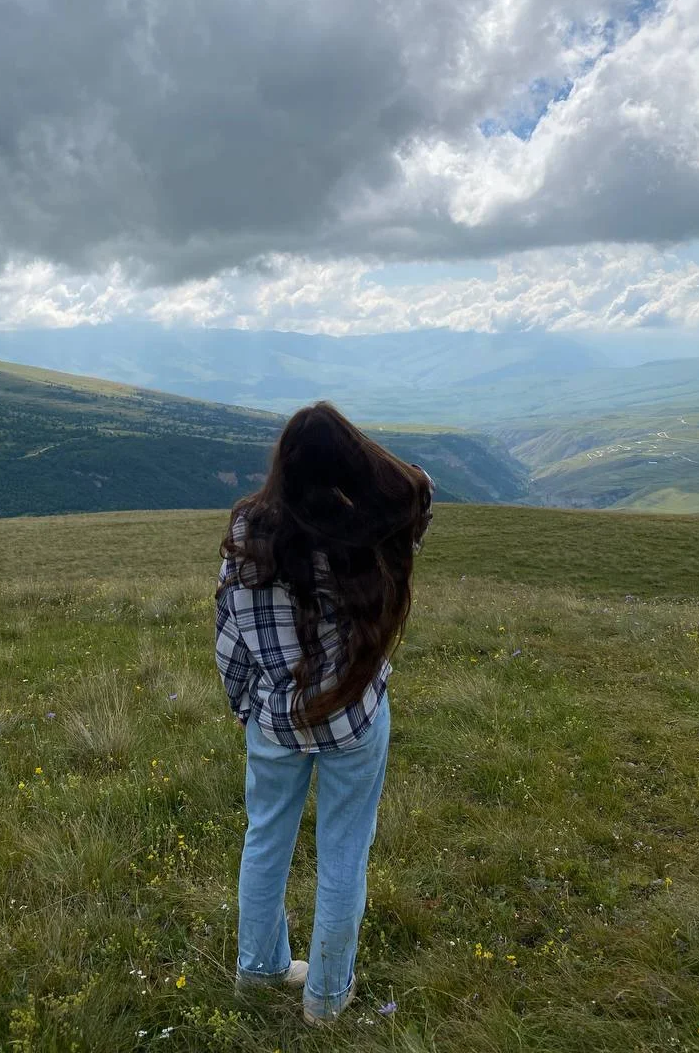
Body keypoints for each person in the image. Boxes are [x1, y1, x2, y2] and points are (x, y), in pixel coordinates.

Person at [214, 401, 435, 1026]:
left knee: (265, 843)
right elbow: (419, 488)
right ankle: (326, 999)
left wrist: (243, 704)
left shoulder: (246, 530)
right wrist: (370, 467)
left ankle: (259, 973)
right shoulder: (371, 532)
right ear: (352, 463)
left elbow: (229, 632)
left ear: (283, 465)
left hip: (274, 719)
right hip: (355, 717)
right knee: (343, 857)